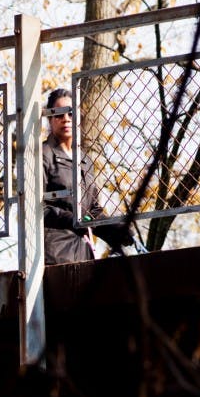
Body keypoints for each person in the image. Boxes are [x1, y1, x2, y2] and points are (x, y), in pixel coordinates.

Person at [43, 87, 132, 265]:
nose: (66, 119)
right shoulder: (43, 154)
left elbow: (92, 211)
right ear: (50, 119)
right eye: (59, 115)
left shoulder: (84, 159)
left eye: (70, 114)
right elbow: (38, 208)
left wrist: (114, 229)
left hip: (84, 254)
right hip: (56, 254)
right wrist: (73, 219)